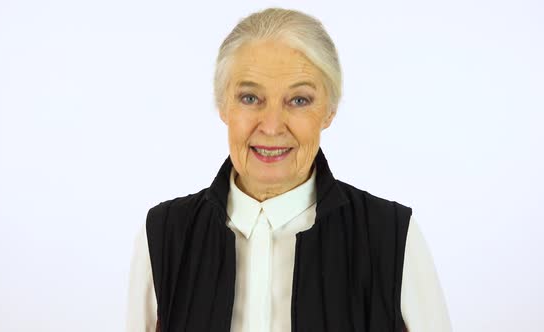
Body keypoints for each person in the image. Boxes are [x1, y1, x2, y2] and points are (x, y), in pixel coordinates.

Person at [126, 7, 451, 332]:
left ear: (329, 111)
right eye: (250, 97)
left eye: (298, 100)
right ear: (223, 105)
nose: (271, 126)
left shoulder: (392, 237)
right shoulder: (164, 235)